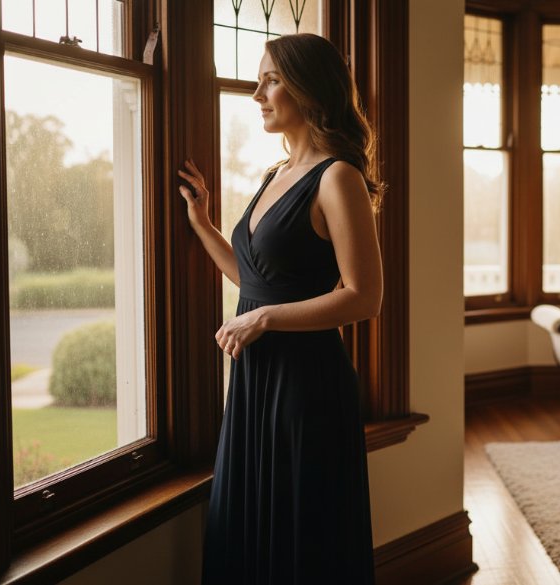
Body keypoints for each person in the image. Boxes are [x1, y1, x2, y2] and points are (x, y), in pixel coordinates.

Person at [178, 33, 382, 584]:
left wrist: (263, 319)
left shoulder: (338, 177)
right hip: (254, 382)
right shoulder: (276, 174)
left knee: (301, 535)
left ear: (309, 89)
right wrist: (203, 224)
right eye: (259, 81)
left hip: (305, 387)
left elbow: (364, 295)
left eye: (270, 81)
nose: (257, 94)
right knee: (247, 526)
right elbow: (256, 282)